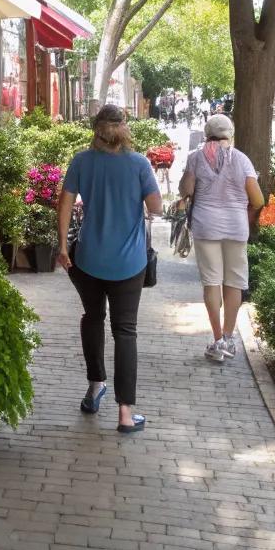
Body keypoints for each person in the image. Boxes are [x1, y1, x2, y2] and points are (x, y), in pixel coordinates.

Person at [57, 104, 163, 434]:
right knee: (125, 331)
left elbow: (63, 203)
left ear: (96, 129)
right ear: (124, 127)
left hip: (88, 259)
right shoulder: (139, 163)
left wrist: (62, 246)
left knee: (92, 318)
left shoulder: (82, 161)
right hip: (129, 262)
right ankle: (126, 414)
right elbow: (156, 207)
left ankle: (94, 386)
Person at [178, 114, 264, 363]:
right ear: (230, 134)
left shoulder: (196, 157)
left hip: (206, 226)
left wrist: (187, 178)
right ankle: (229, 337)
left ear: (207, 134)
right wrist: (244, 216)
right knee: (234, 282)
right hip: (236, 226)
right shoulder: (241, 159)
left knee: (211, 282)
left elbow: (187, 190)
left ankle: (217, 341)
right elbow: (258, 200)